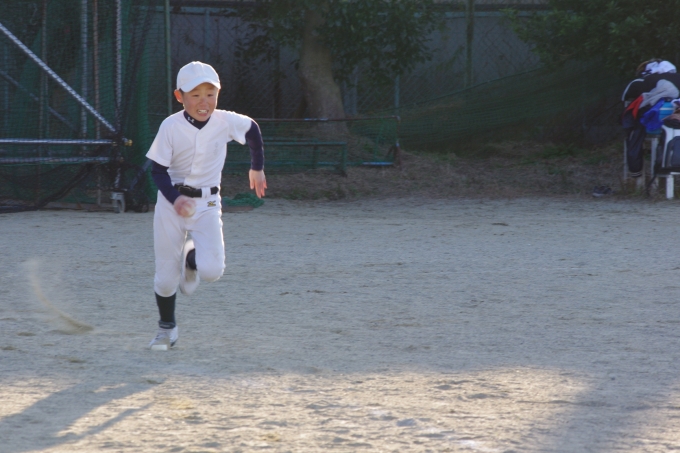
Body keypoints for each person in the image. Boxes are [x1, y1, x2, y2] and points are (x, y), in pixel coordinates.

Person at [145, 61, 267, 350]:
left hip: (208, 203)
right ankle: (167, 328)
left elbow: (252, 130)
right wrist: (176, 199)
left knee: (212, 271)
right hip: (171, 203)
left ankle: (191, 259)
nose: (204, 102)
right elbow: (157, 172)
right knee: (166, 278)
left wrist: (257, 167)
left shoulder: (224, 121)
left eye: (210, 94)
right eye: (195, 94)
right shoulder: (170, 126)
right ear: (179, 96)